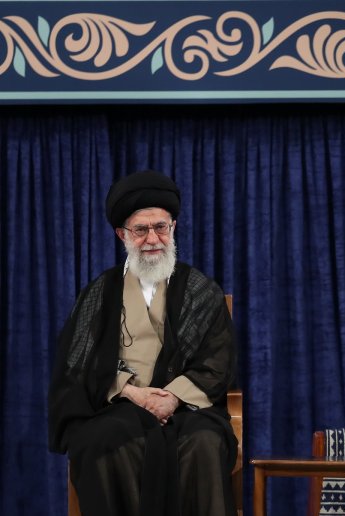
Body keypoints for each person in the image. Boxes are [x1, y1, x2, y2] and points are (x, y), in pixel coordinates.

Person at [48, 170, 238, 516]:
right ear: (122, 234)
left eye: (160, 227)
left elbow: (217, 360)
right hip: (118, 405)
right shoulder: (99, 293)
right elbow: (77, 364)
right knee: (105, 442)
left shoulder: (200, 290)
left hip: (186, 407)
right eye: (141, 230)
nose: (152, 238)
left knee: (203, 442)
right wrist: (132, 393)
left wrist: (172, 397)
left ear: (173, 228)